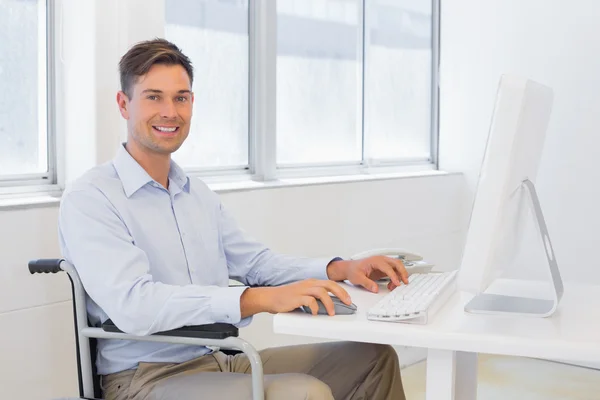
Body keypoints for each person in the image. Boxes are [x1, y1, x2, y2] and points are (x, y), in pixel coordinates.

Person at [58, 38, 408, 400]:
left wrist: (342, 268)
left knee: (372, 358)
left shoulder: (196, 195)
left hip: (218, 360)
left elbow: (258, 264)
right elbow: (136, 304)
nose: (169, 111)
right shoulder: (91, 198)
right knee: (304, 393)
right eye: (153, 97)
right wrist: (257, 299)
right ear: (123, 104)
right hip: (145, 379)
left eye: (180, 97)